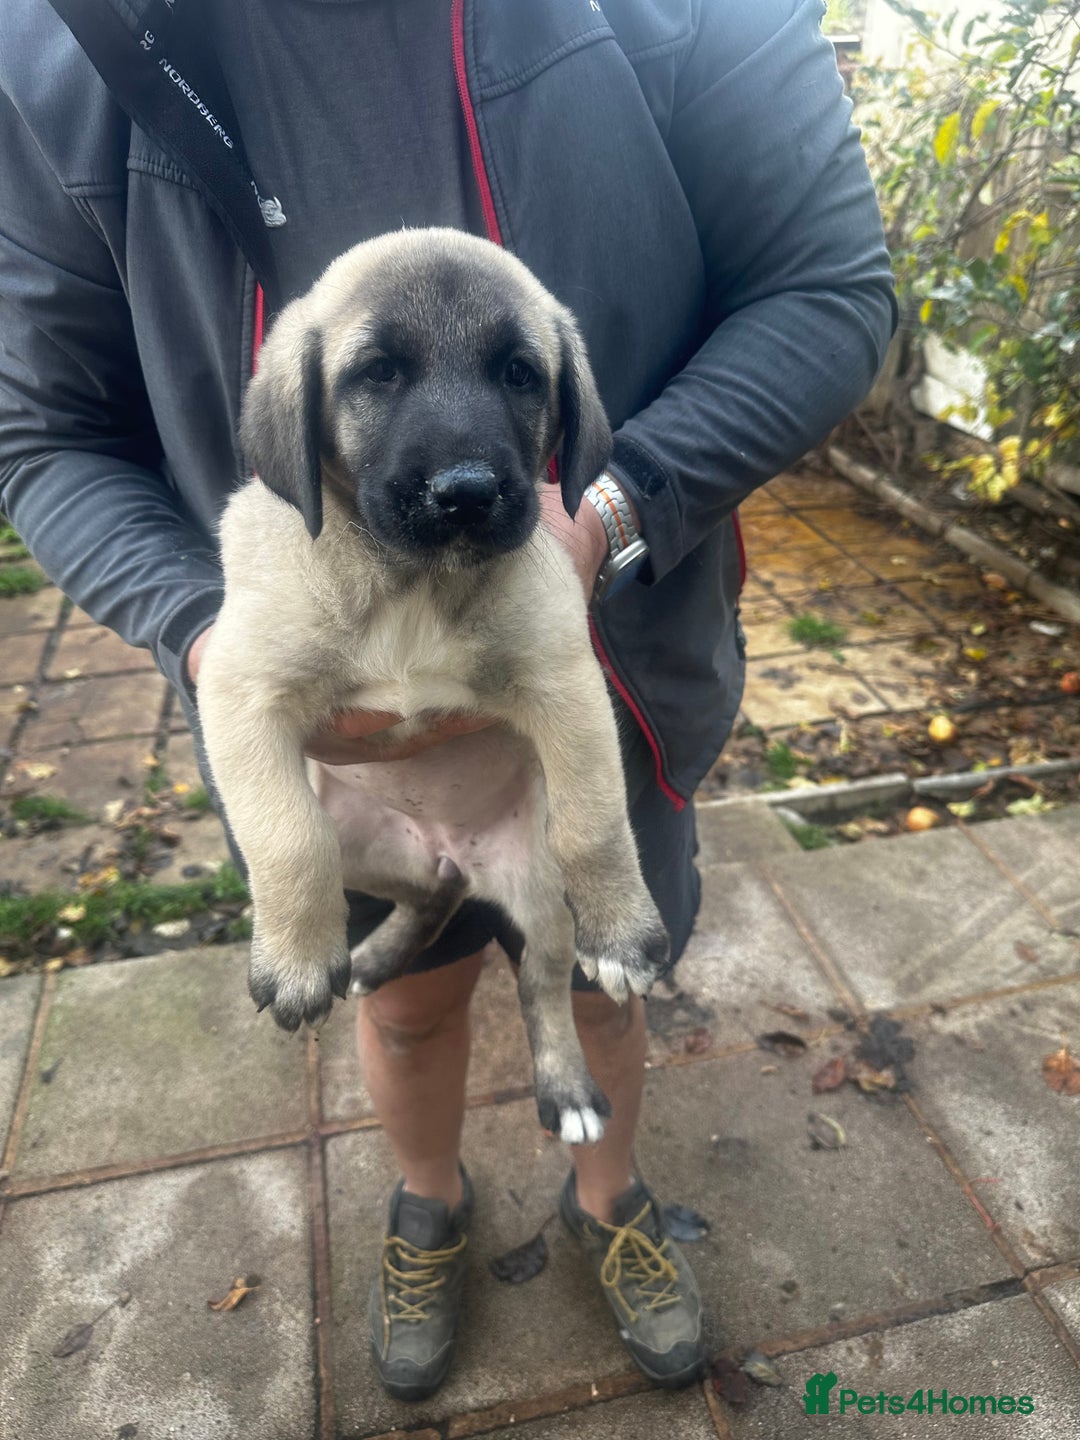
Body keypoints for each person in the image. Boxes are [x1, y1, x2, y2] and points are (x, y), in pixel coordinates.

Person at [0, 0, 896, 1403]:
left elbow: (829, 288)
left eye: (511, 379)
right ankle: (430, 1200)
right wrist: (203, 629)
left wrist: (605, 515)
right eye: (383, 374)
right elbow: (42, 425)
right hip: (332, 763)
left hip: (593, 706)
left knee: (604, 982)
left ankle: (608, 1202)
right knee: (404, 1006)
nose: (463, 448)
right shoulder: (58, 50)